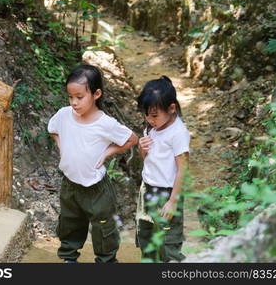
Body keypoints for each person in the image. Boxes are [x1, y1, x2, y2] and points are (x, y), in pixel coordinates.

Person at [48, 64, 138, 263]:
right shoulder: (64, 115)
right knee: (70, 223)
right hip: (70, 185)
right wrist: (62, 147)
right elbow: (53, 129)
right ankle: (69, 259)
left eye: (80, 97)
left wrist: (108, 153)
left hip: (97, 189)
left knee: (103, 227)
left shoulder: (105, 123)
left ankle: (106, 261)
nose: (74, 102)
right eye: (70, 97)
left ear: (96, 94)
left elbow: (132, 139)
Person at [135, 75, 190, 262]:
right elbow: (147, 159)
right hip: (147, 190)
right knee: (146, 239)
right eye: (146, 114)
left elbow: (183, 168)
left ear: (172, 108)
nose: (149, 119)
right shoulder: (151, 127)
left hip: (166, 193)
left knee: (168, 244)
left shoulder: (178, 133)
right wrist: (141, 150)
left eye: (154, 115)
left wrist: (173, 201)